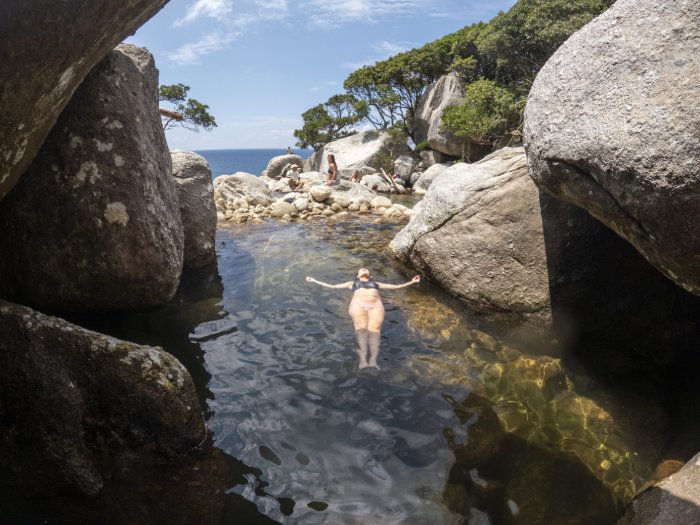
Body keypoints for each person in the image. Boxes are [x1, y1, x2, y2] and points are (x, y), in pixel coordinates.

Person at [305, 268, 421, 370]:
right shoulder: (352, 283)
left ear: (370, 275)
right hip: (358, 305)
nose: (364, 269)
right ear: (357, 275)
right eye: (361, 269)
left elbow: (395, 287)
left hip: (375, 305)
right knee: (361, 330)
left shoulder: (376, 283)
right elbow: (332, 286)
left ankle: (373, 361)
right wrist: (314, 280)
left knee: (375, 332)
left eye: (366, 269)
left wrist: (412, 282)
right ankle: (362, 360)